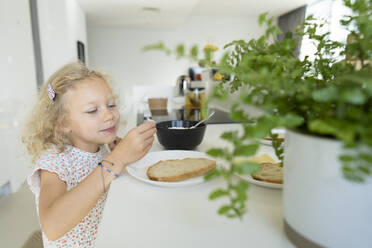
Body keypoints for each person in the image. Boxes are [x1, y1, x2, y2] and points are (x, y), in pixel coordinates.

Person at [22, 62, 156, 247]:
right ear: (62, 123)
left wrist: (120, 155)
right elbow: (52, 227)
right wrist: (116, 160)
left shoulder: (100, 147)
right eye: (93, 110)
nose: (109, 115)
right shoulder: (55, 162)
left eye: (111, 105)